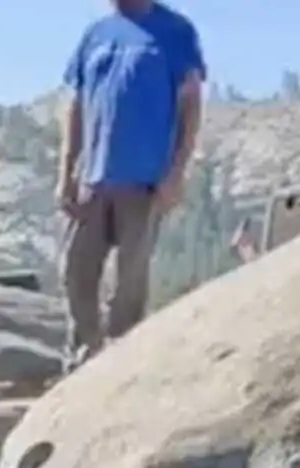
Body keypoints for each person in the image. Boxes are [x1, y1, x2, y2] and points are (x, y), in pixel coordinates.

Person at [57, 0, 204, 367]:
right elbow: (75, 106)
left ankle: (122, 363)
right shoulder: (96, 35)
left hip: (144, 181)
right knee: (75, 271)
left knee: (129, 283)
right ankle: (83, 355)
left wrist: (176, 172)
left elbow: (191, 105)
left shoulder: (175, 32)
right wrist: (65, 173)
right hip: (93, 179)